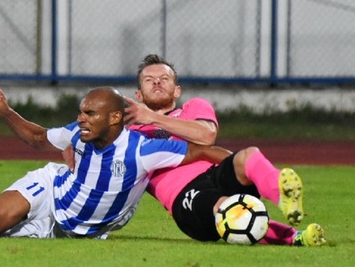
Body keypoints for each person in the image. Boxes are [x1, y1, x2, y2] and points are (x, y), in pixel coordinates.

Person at [0, 79, 232, 238]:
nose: (81, 118)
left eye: (91, 113)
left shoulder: (145, 149)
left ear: (116, 118)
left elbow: (204, 150)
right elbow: (36, 136)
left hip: (72, 228)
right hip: (50, 189)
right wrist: (4, 111)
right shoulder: (74, 133)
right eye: (81, 111)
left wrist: (239, 168)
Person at [122, 54, 326, 246]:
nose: (157, 82)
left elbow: (206, 136)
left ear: (177, 90)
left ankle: (282, 194)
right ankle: (293, 237)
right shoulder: (129, 135)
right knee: (226, 206)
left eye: (164, 78)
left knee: (249, 155)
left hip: (215, 174)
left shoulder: (193, 107)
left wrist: (153, 117)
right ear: (138, 95)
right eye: (149, 79)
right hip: (183, 195)